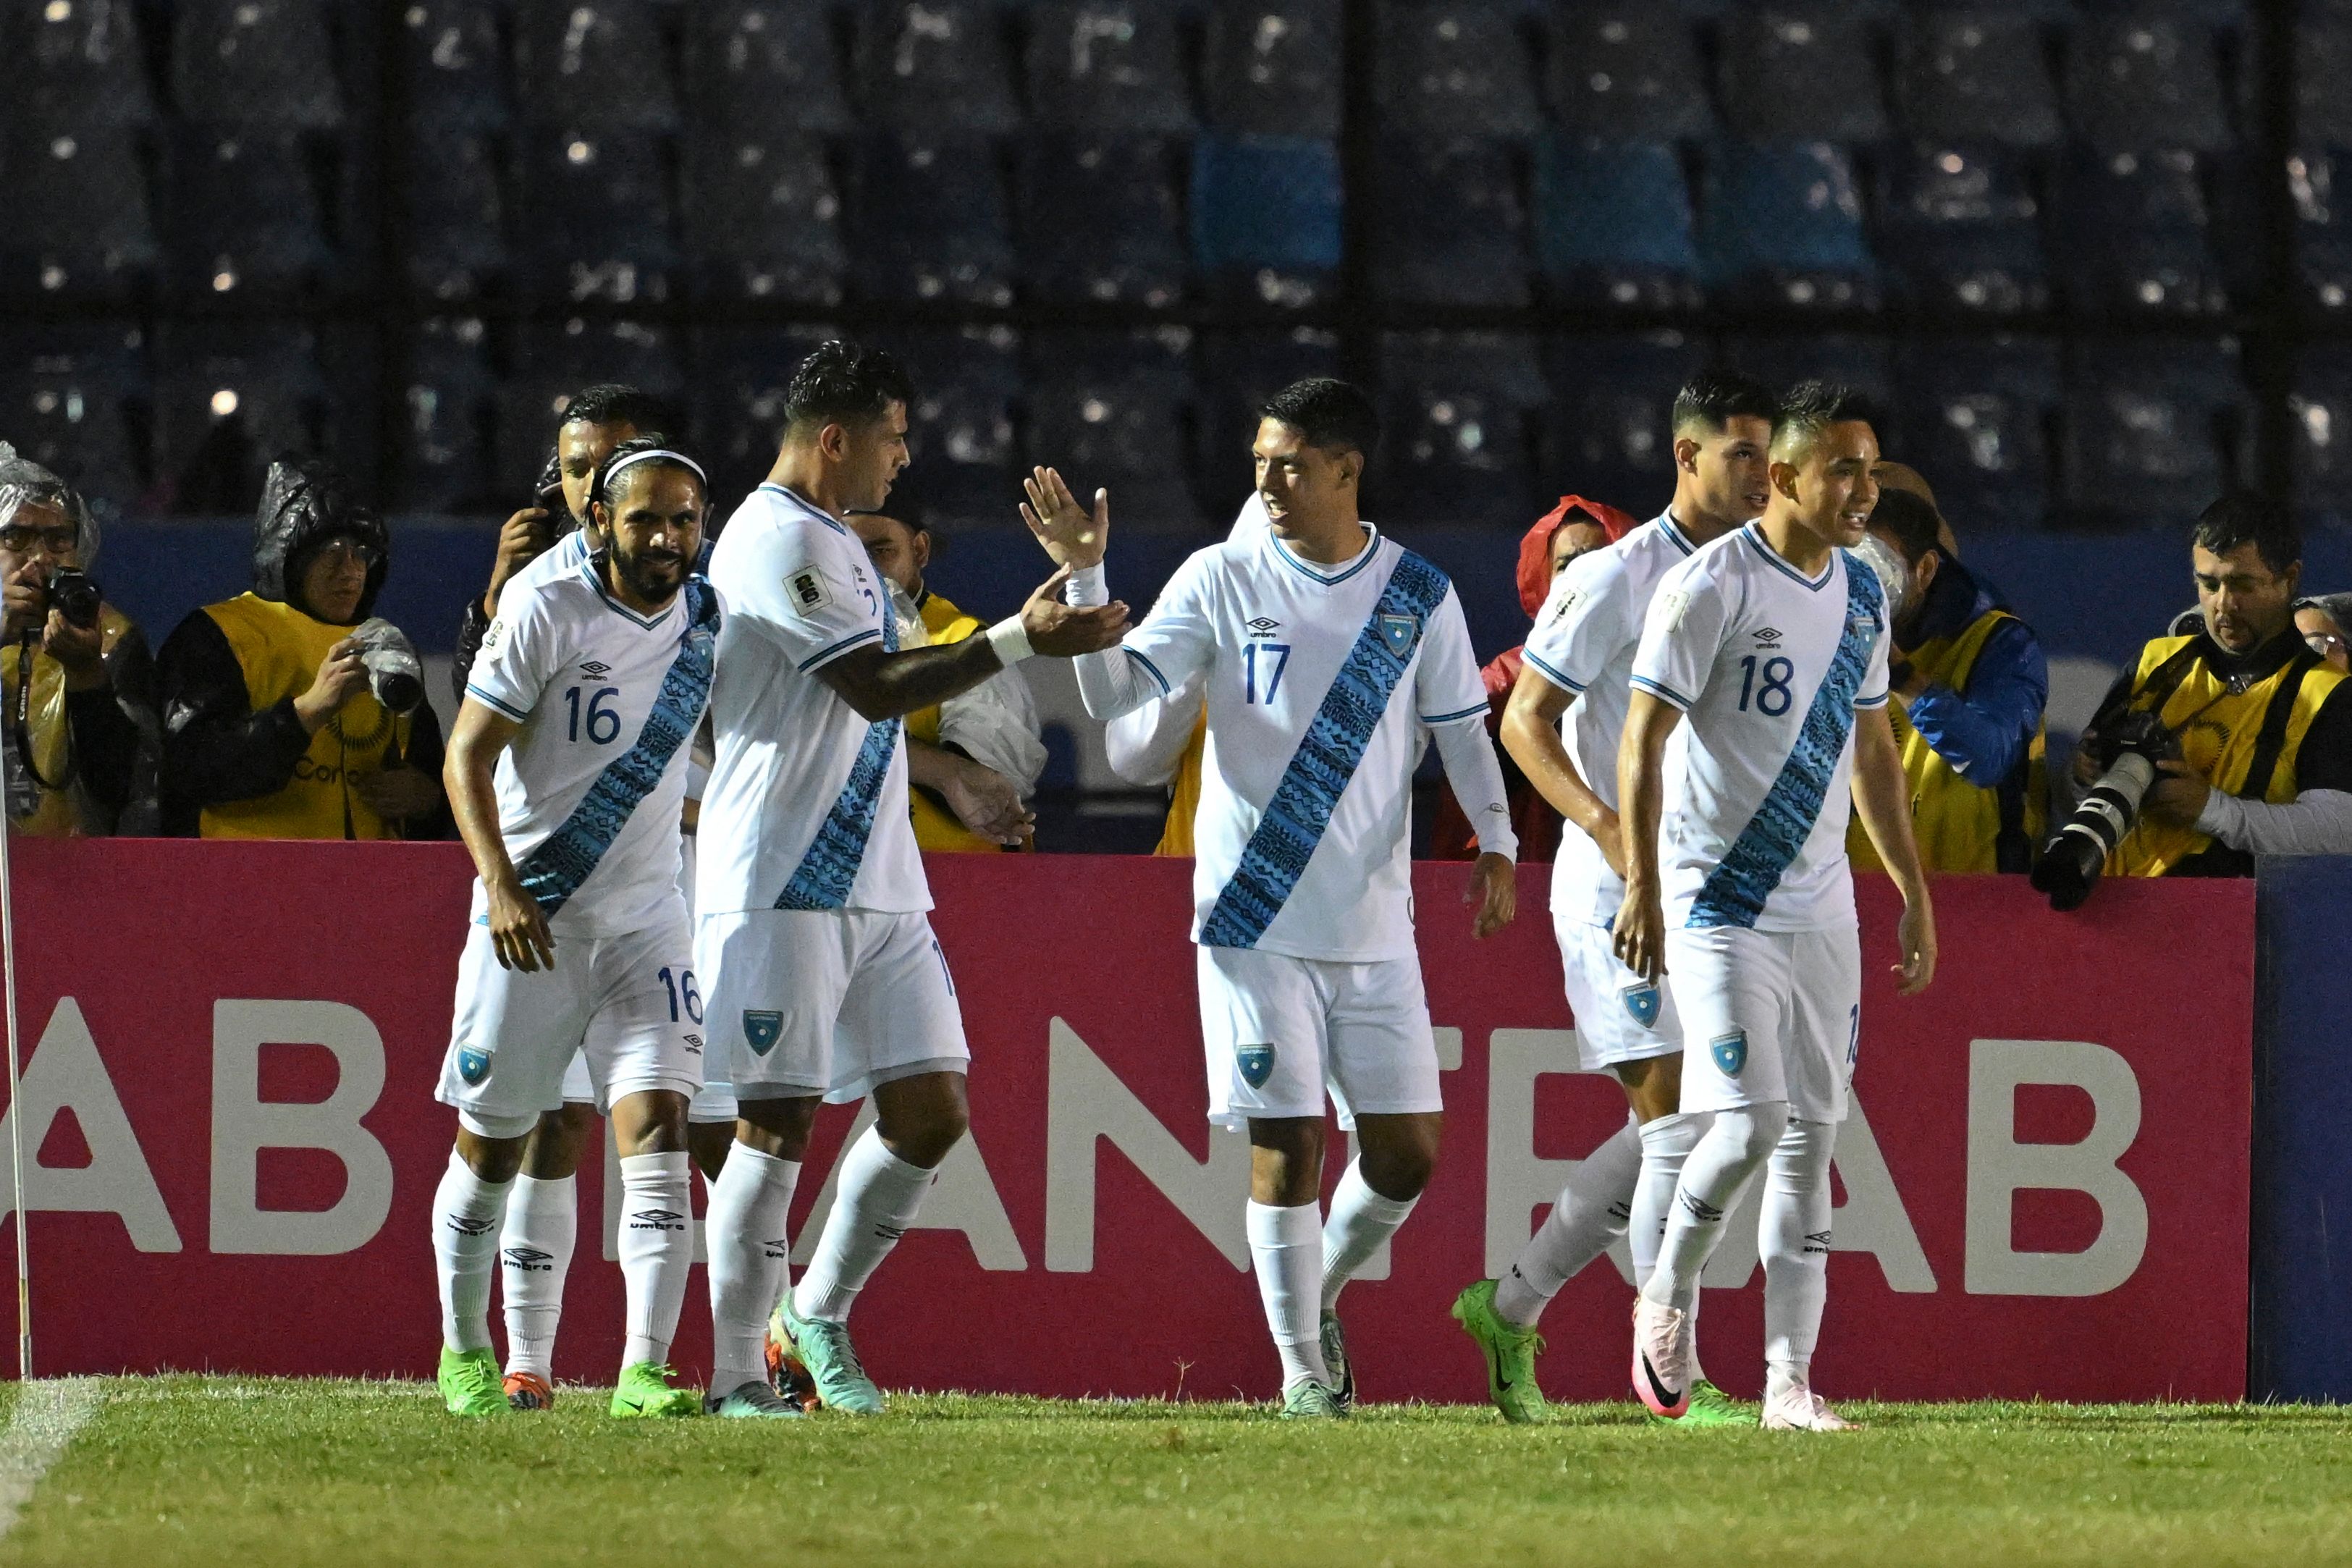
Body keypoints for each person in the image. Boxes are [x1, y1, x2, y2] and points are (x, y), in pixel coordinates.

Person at [1032, 377, 1520, 1418]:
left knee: (1404, 1154)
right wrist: (1085, 581)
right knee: (1285, 1141)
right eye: (1259, 460)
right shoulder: (1218, 576)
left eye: (1289, 462)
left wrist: (1500, 838)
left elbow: (1463, 727)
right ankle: (1305, 1374)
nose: (1267, 479)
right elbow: (1121, 697)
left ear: (1347, 469)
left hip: (1374, 922)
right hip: (1251, 913)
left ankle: (1314, 1298)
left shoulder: (1418, 592)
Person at [694, 342, 1127, 1419]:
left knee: (932, 1112)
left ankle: (816, 1316)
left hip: (882, 877)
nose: (904, 455)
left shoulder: (839, 545)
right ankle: (737, 1376)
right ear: (834, 438)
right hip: (783, 872)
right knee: (775, 1123)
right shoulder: (768, 538)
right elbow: (872, 686)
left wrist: (1024, 633)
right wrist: (1022, 638)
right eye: (892, 435)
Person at [1450, 370, 1776, 1426]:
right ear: (1686, 457)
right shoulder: (1614, 580)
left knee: (1709, 1120)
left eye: (1771, 454)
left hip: (1715, 886)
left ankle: (1511, 1303)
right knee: (1683, 1125)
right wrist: (1609, 835)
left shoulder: (1763, 574)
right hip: (1615, 892)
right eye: (1741, 454)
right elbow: (1522, 724)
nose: (1764, 473)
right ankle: (1668, 1382)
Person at [1617, 382, 1936, 1433]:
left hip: (1822, 907)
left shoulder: (1859, 591)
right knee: (1750, 1121)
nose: (1863, 489)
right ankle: (1665, 1293)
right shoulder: (1708, 588)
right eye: (1843, 469)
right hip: (1718, 898)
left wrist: (1910, 888)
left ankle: (1788, 1385)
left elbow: (1876, 746)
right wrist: (1639, 883)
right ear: (1787, 475)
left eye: (1872, 469)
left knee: (1813, 1139)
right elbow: (1643, 737)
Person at [430, 439, 720, 1420]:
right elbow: (465, 757)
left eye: (684, 519)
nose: (667, 538)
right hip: (535, 922)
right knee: (496, 1142)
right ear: (599, 520)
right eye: (646, 518)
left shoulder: (708, 619)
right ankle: (468, 1351)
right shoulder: (547, 611)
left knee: (658, 1127)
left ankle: (643, 1369)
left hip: (647, 921)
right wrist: (502, 887)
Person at [158, 458, 447, 840]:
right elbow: (188, 771)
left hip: (369, 888)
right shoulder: (218, 634)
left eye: (362, 552)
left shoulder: (386, 645)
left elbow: (433, 779)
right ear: (289, 556)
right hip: (242, 884)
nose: (350, 570)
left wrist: (426, 798)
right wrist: (305, 714)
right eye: (331, 551)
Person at [2075, 492, 2352, 874]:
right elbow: (2075, 796)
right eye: (2209, 584)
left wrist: (2212, 809)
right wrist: (2079, 777)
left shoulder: (2328, 694)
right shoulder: (2154, 663)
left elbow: (2339, 831)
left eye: (2242, 585)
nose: (2223, 604)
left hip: (2229, 922)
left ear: (2289, 580)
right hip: (2113, 910)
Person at [1846, 488, 2049, 874]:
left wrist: (1898, 673)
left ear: (1924, 570)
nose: (1859, 590)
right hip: (1853, 901)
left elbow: (1989, 758)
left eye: (1874, 566)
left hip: (1976, 901)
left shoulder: (2001, 643)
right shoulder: (1814, 630)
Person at [1429, 495, 1637, 862]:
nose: (1585, 578)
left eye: (1599, 561)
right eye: (1567, 564)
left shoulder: (1666, 668)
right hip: (1530, 877)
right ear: (1544, 582)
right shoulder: (1504, 685)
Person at [451, 384, 683, 701]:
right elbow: (474, 710)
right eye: (576, 470)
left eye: (609, 465)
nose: (591, 485)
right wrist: (496, 603)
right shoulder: (539, 583)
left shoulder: (704, 571)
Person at [849, 507, 1047, 851]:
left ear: (920, 550)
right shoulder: (812, 642)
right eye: (846, 555)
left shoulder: (967, 642)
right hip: (846, 889)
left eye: (880, 552)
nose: (862, 572)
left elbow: (979, 785)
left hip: (961, 883)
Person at [0, 447, 158, 835]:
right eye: (16, 536)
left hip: (74, 875)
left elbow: (128, 789)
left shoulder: (113, 638)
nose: (38, 558)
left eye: (58, 539)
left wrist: (88, 675)